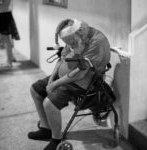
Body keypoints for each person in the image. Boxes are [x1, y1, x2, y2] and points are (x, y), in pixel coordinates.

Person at [28, 18, 111, 150]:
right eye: (69, 44)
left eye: (72, 43)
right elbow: (62, 58)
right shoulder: (73, 34)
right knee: (36, 90)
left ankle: (56, 139)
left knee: (49, 104)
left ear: (80, 32)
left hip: (83, 82)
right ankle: (46, 128)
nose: (70, 46)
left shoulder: (97, 42)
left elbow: (81, 74)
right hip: (66, 75)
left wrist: (55, 85)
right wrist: (52, 79)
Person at [0, 0, 20, 68]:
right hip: (3, 14)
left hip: (2, 14)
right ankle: (11, 57)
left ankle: (9, 62)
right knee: (3, 37)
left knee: (4, 38)